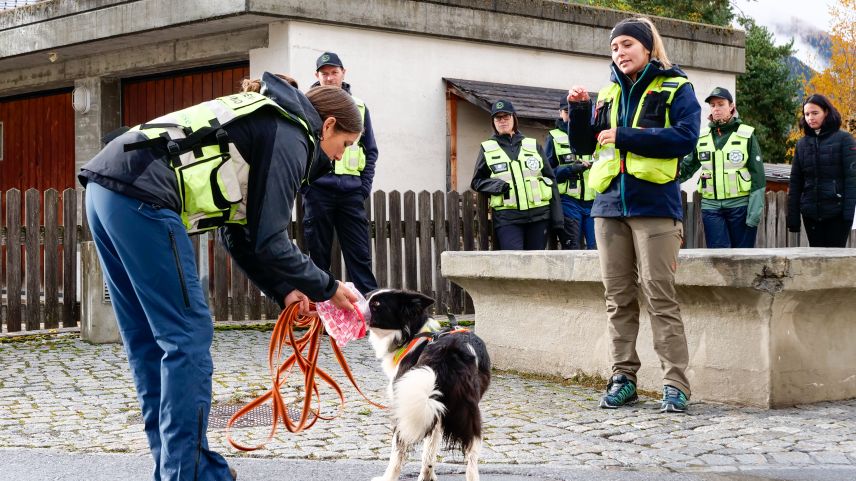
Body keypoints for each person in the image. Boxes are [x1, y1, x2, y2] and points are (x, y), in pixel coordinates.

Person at [78, 72, 360, 481]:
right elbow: (271, 240)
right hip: (143, 196)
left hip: (107, 190)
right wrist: (329, 288)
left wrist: (283, 290)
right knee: (187, 337)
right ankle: (189, 473)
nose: (341, 156)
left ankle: (177, 469)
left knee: (149, 343)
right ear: (328, 125)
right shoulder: (294, 133)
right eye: (345, 145)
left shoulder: (267, 117)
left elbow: (239, 234)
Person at [566, 17, 700, 413]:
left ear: (647, 47)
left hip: (655, 206)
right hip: (608, 207)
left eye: (626, 44)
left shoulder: (677, 87)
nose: (619, 53)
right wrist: (579, 111)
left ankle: (676, 384)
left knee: (660, 296)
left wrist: (624, 135)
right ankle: (623, 377)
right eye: (614, 48)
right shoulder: (607, 92)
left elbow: (684, 138)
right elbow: (585, 146)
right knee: (618, 299)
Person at [303, 51, 379, 295]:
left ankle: (374, 311)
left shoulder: (359, 107)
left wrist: (363, 187)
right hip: (318, 191)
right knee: (318, 256)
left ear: (343, 73)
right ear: (317, 76)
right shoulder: (308, 103)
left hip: (350, 193)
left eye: (333, 72)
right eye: (324, 74)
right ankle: (320, 314)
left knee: (359, 255)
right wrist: (306, 186)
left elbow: (371, 151)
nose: (329, 78)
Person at [471, 99, 562, 250]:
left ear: (514, 118)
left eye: (506, 117)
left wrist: (558, 219)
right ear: (493, 122)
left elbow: (550, 179)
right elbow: (476, 181)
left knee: (535, 263)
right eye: (498, 118)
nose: (502, 121)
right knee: (513, 263)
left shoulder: (533, 145)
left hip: (539, 217)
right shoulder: (487, 148)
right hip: (508, 218)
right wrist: (497, 185)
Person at [679, 87, 765, 248]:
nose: (716, 109)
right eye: (713, 105)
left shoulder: (746, 135)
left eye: (720, 104)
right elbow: (686, 168)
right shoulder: (702, 137)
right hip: (711, 208)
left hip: (740, 206)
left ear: (731, 106)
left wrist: (753, 214)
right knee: (719, 257)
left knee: (742, 258)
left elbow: (758, 177)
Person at [787, 94, 856, 247]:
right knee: (815, 261)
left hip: (837, 214)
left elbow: (852, 180)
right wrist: (793, 218)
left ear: (826, 112)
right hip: (810, 214)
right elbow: (796, 181)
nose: (810, 117)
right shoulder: (802, 144)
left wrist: (848, 216)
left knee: (835, 263)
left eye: (815, 113)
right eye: (806, 114)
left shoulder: (845, 139)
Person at [544, 97, 597, 250]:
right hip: (569, 201)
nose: (572, 115)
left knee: (597, 249)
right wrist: (570, 169)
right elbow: (547, 174)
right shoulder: (553, 137)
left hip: (594, 200)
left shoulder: (594, 134)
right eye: (567, 111)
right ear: (560, 113)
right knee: (572, 248)